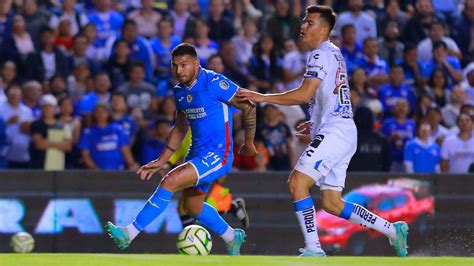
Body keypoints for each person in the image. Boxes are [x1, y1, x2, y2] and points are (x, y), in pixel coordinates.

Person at [238, 5, 408, 257]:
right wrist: (316, 121)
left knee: (297, 182)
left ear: (325, 29)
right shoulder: (334, 52)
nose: (303, 26)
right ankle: (393, 230)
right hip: (341, 130)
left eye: (310, 23)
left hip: (335, 131)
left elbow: (305, 93)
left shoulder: (319, 54)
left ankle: (313, 248)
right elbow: (330, 92)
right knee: (332, 203)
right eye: (304, 22)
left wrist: (261, 96)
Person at [105, 43, 257, 256]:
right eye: (175, 65)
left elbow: (248, 106)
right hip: (196, 154)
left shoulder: (214, 82)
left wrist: (249, 142)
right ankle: (233, 237)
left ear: (196, 63)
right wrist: (161, 159)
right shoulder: (179, 91)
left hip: (218, 154)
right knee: (193, 207)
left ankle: (129, 233)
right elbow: (180, 127)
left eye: (184, 65)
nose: (179, 71)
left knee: (169, 181)